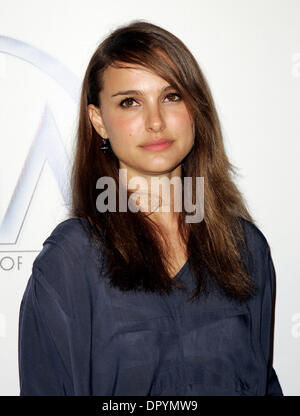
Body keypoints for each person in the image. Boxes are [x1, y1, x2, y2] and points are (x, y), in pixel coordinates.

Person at [18, 20, 283, 396]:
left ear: (195, 107)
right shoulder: (72, 256)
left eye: (172, 96)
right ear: (99, 122)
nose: (155, 121)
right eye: (130, 102)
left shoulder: (245, 248)